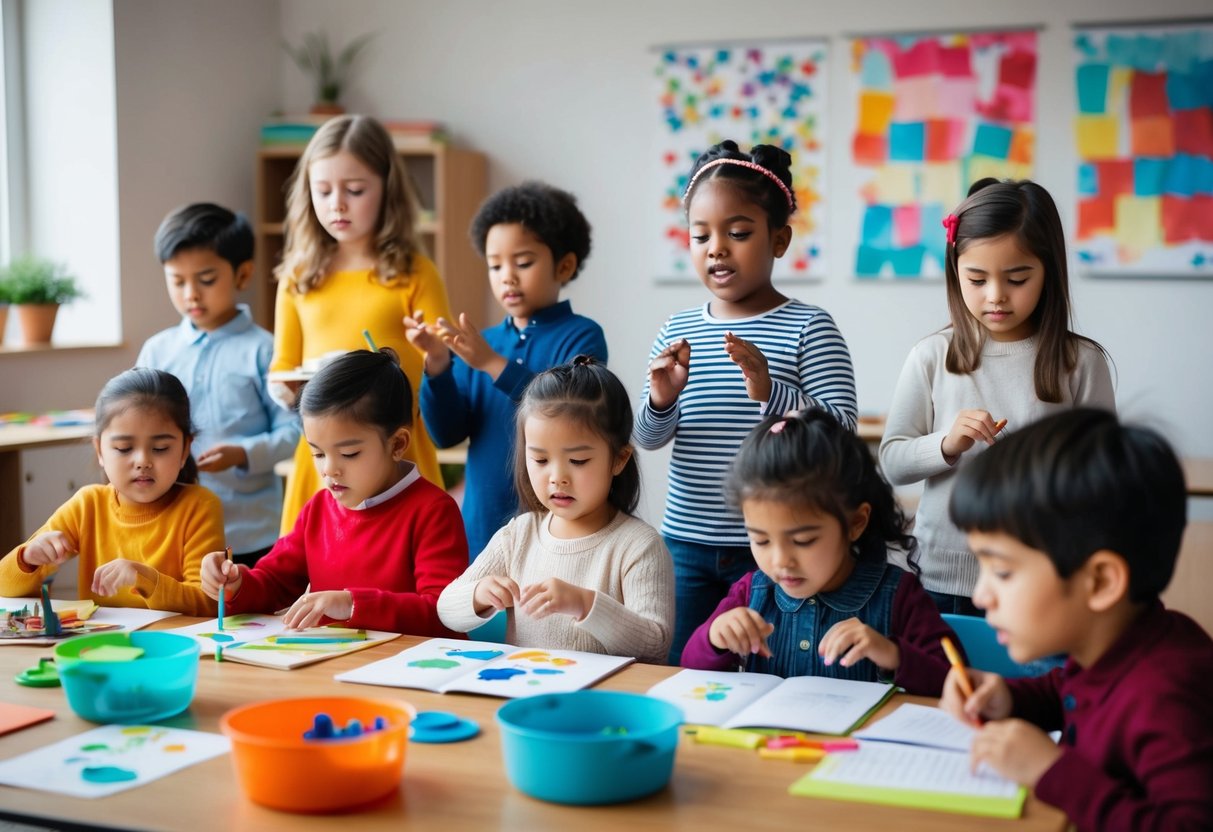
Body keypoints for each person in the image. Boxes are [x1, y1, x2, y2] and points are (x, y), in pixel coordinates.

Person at [635, 140, 857, 663]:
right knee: (686, 666)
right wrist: (661, 400)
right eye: (700, 235)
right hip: (685, 543)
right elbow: (646, 439)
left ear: (779, 240)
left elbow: (842, 434)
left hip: (775, 550)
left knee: (769, 669)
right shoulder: (678, 328)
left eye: (738, 233)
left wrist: (770, 392)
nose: (717, 248)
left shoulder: (809, 326)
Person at [941, 408, 1213, 831]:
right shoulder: (1116, 645)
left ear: (1100, 582)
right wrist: (1009, 699)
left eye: (1004, 572)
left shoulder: (1165, 695)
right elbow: (1072, 691)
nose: (981, 594)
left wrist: (1052, 771)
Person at [879, 178, 1115, 615]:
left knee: (1031, 685)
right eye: (977, 278)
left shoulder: (1081, 362)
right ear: (956, 272)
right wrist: (946, 444)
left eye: (1017, 278)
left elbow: (1106, 478)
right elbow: (892, 461)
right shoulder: (932, 355)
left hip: (1045, 577)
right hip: (943, 579)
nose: (996, 296)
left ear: (1049, 271)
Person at [680, 409, 955, 695]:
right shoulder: (750, 593)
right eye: (761, 541)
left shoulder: (898, 596)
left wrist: (892, 654)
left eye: (803, 541)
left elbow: (955, 680)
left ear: (855, 523)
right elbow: (690, 667)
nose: (780, 561)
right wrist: (714, 639)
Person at [270, 114, 452, 535]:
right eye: (324, 190)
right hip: (322, 458)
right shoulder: (297, 277)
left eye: (354, 190)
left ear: (387, 190)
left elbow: (444, 367)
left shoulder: (416, 272)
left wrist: (433, 355)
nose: (337, 204)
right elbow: (282, 368)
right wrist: (286, 388)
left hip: (395, 450)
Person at [200, 349, 467, 635]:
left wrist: (352, 604)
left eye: (349, 453)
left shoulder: (432, 511)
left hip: (405, 672)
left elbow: (444, 614)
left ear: (398, 444)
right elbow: (274, 581)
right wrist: (236, 583)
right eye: (317, 453)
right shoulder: (319, 508)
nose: (329, 469)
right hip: (330, 671)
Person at [406, 181, 606, 559]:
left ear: (564, 265)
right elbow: (445, 434)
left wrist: (491, 365)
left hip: (553, 528)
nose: (507, 276)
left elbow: (568, 413)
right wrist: (437, 365)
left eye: (524, 262)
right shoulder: (482, 342)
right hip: (481, 528)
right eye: (495, 265)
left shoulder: (582, 336)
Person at [437, 357, 673, 664]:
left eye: (577, 461)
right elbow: (445, 609)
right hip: (527, 695)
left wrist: (585, 604)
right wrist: (479, 594)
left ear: (619, 459)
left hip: (603, 704)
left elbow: (656, 643)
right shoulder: (519, 535)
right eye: (540, 460)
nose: (557, 477)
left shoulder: (639, 546)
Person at [138, 202, 300, 567]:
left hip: (249, 529)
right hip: (173, 525)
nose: (191, 294)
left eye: (206, 279)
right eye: (177, 281)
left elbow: (295, 431)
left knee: (249, 620)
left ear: (243, 274)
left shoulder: (266, 351)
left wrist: (243, 454)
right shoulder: (157, 350)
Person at [0, 369, 221, 614]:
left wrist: (145, 578)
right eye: (124, 448)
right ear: (100, 450)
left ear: (184, 449)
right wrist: (28, 559)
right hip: (97, 648)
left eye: (160, 448)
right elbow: (4, 587)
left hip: (172, 649)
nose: (142, 461)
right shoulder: (88, 504)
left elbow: (209, 603)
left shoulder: (199, 506)